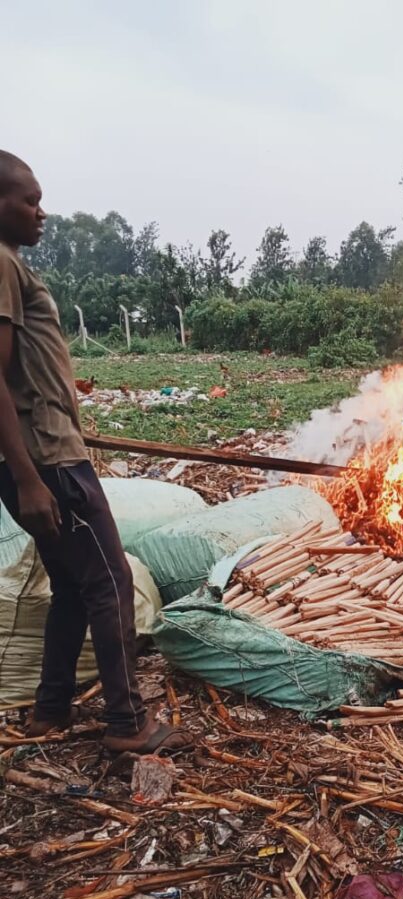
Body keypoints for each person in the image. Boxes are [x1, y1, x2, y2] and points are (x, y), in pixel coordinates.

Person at [0, 150, 190, 752]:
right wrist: (28, 478)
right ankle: (127, 723)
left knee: (72, 587)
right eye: (30, 200)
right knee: (109, 581)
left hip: (42, 458)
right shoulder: (1, 265)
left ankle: (51, 711)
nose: (42, 212)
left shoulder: (11, 265)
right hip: (49, 462)